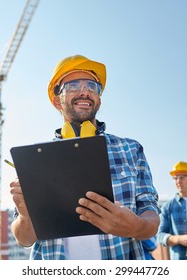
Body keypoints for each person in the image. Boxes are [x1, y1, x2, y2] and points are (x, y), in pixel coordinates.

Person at [9, 55, 160, 260]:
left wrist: (137, 226)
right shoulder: (36, 160)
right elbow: (24, 239)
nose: (84, 92)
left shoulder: (131, 149)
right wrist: (27, 215)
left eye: (92, 86)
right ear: (56, 101)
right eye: (73, 86)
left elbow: (150, 217)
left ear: (98, 98)